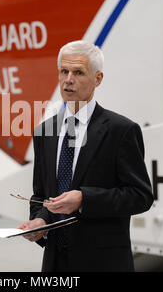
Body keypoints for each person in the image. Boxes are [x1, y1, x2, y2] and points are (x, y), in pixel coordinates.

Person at [17, 40, 154, 272]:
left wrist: (84, 199)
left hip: (103, 263)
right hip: (55, 263)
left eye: (78, 72)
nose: (68, 79)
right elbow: (40, 195)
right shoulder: (44, 132)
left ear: (97, 79)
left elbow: (140, 196)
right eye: (64, 71)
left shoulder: (121, 131)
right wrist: (40, 221)